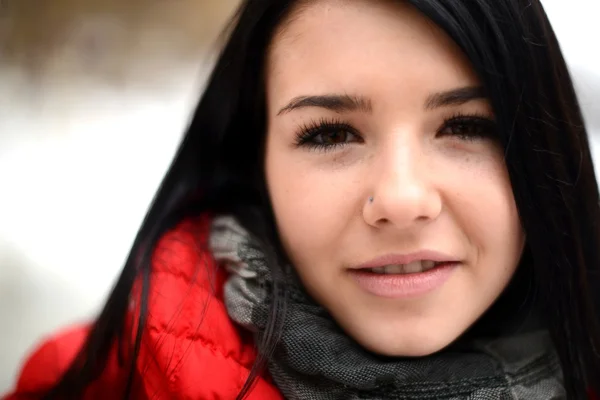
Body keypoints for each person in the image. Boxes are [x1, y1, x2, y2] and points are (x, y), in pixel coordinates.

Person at [4, 0, 600, 399]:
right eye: (331, 134)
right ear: (253, 156)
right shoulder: (85, 382)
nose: (401, 198)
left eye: (467, 126)